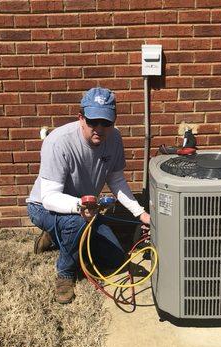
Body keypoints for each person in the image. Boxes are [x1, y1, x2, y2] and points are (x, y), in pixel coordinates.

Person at [27, 87, 150, 304]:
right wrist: (79, 207)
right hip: (44, 207)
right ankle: (65, 273)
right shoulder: (58, 142)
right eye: (93, 121)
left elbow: (116, 181)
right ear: (81, 118)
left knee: (116, 259)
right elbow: (48, 197)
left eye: (106, 122)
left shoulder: (114, 139)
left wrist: (141, 214)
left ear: (114, 121)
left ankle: (56, 236)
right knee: (75, 223)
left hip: (85, 211)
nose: (99, 129)